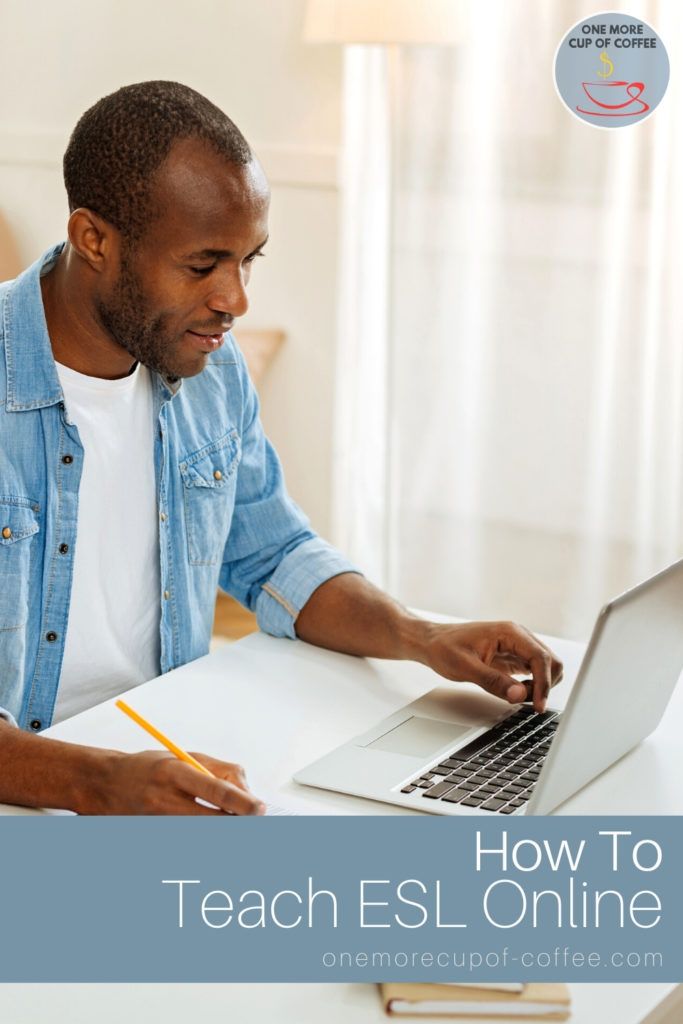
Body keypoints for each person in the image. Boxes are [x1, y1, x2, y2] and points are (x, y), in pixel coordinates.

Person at [0, 81, 562, 815]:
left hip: (169, 759)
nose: (235, 299)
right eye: (203, 265)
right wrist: (99, 783)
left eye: (248, 260)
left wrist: (421, 637)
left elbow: (273, 556)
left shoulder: (209, 369)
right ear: (94, 239)